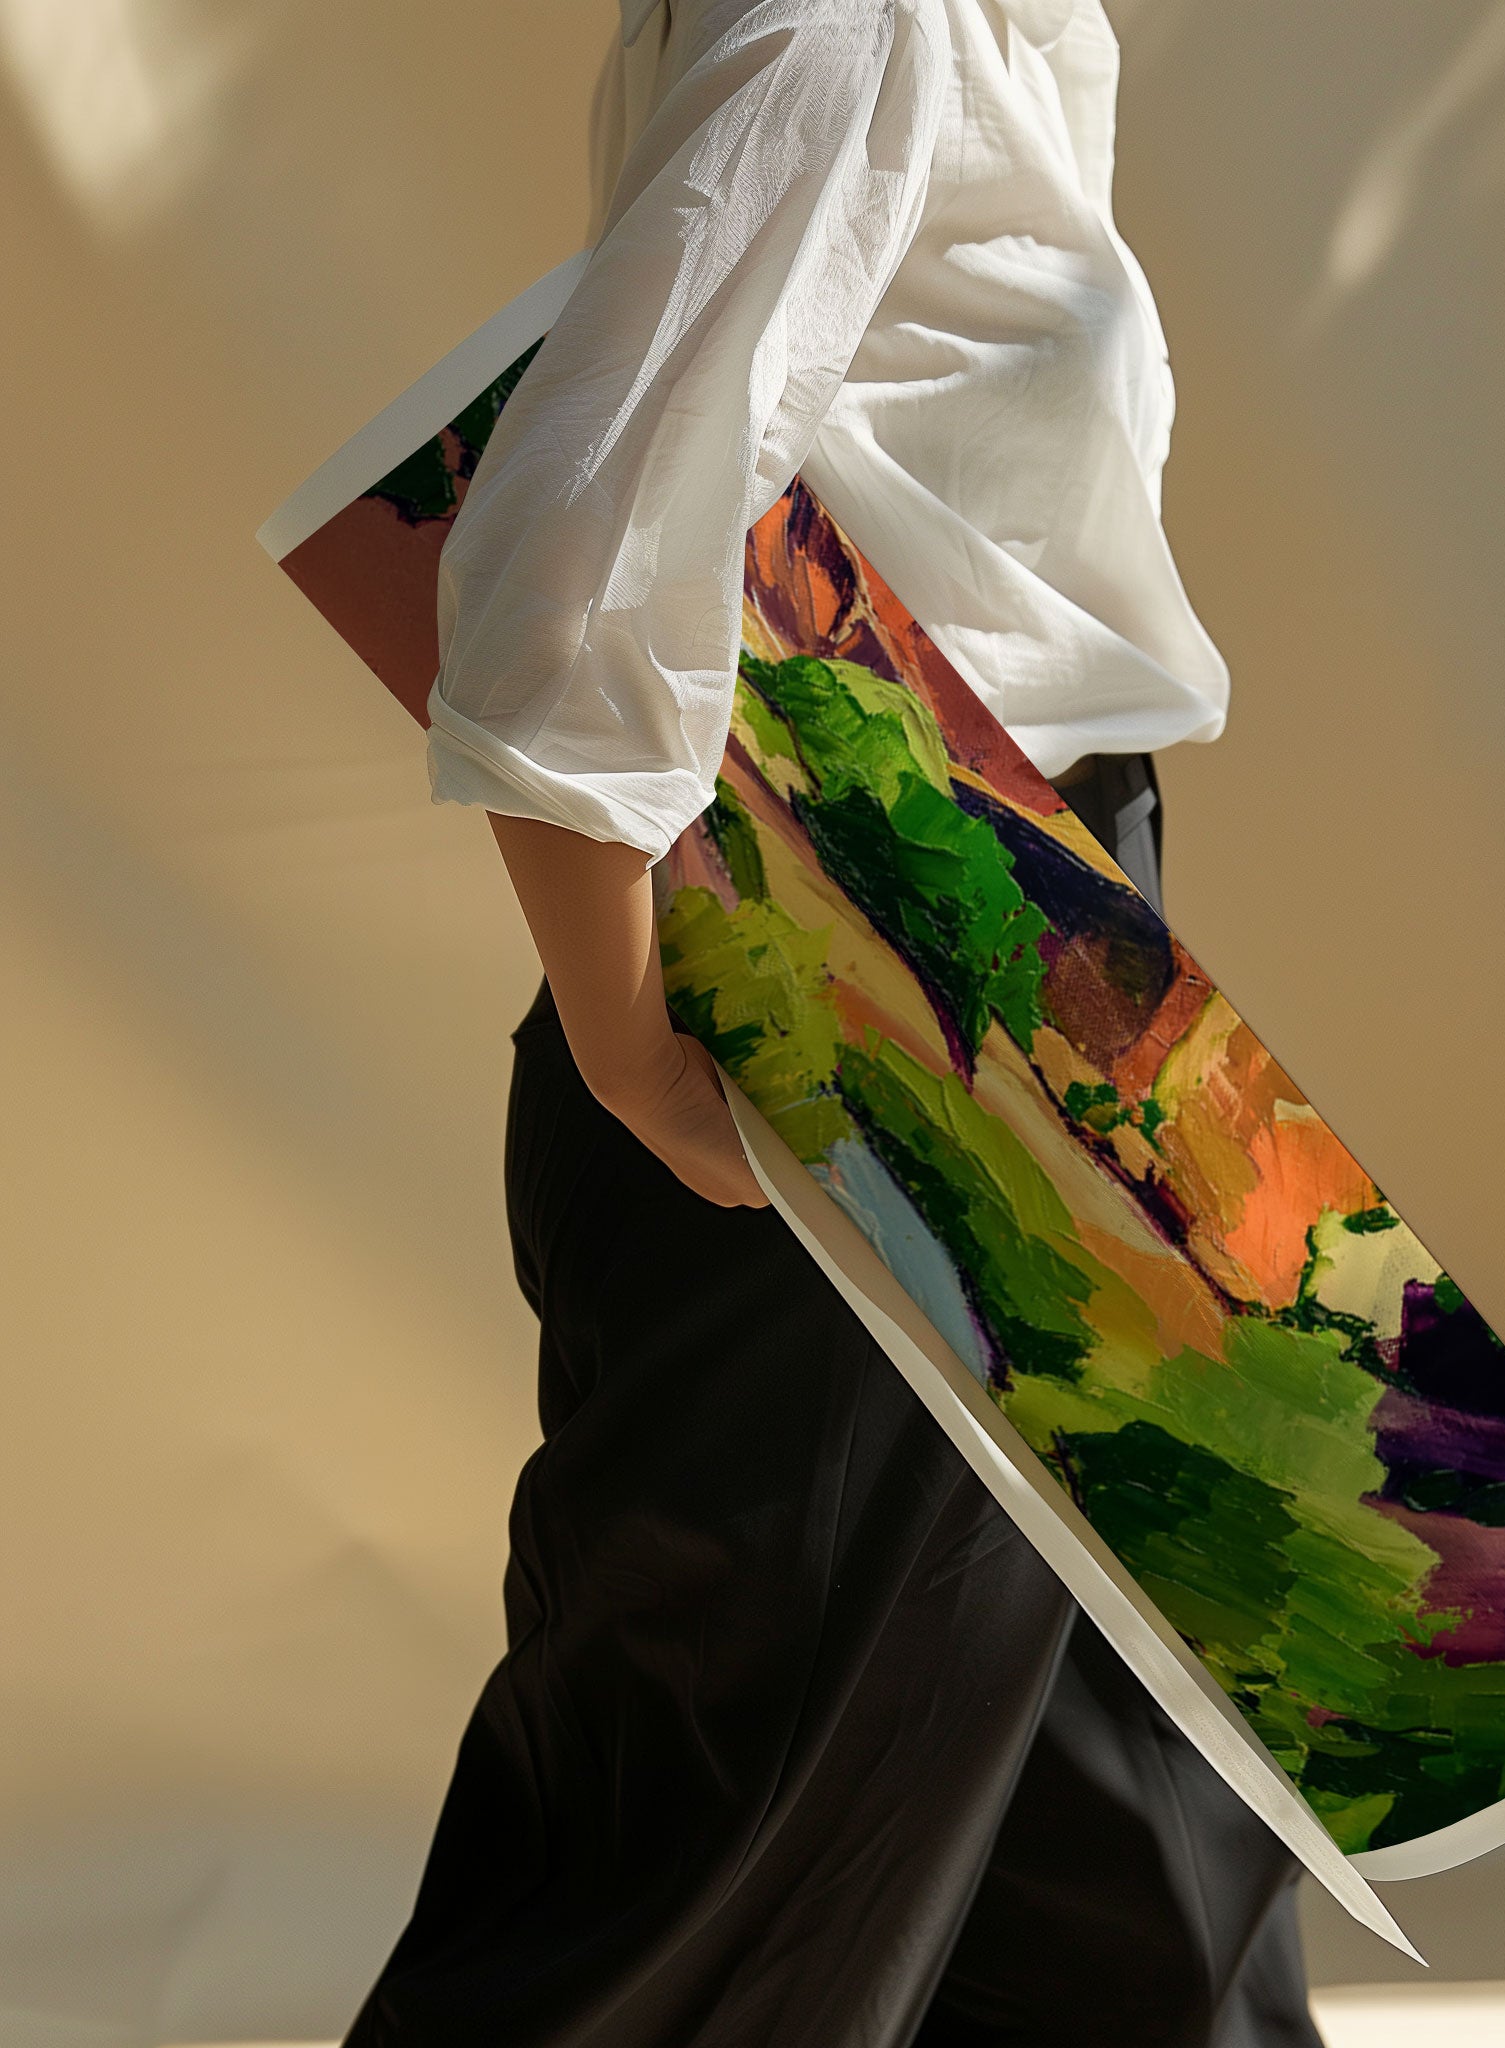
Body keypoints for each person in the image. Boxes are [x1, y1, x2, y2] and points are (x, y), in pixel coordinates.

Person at [342, 3, 1320, 2042]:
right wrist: (630, 1047)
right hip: (859, 956)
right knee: (697, 1855)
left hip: (1043, 919)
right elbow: (577, 536)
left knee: (1140, 1830)